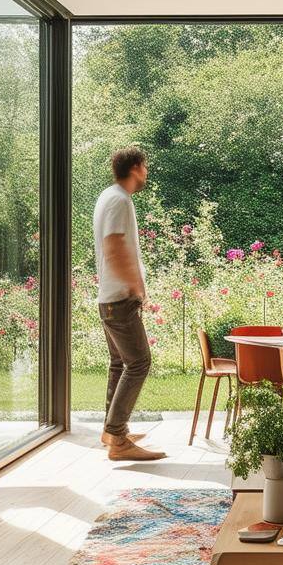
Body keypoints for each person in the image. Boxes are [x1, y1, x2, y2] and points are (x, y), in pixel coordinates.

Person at [93, 146, 166, 461]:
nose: (146, 172)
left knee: (120, 363)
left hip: (110, 298)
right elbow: (114, 246)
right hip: (119, 299)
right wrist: (136, 287)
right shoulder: (120, 200)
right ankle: (118, 439)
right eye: (145, 166)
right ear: (136, 167)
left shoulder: (108, 197)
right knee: (139, 362)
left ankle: (112, 430)